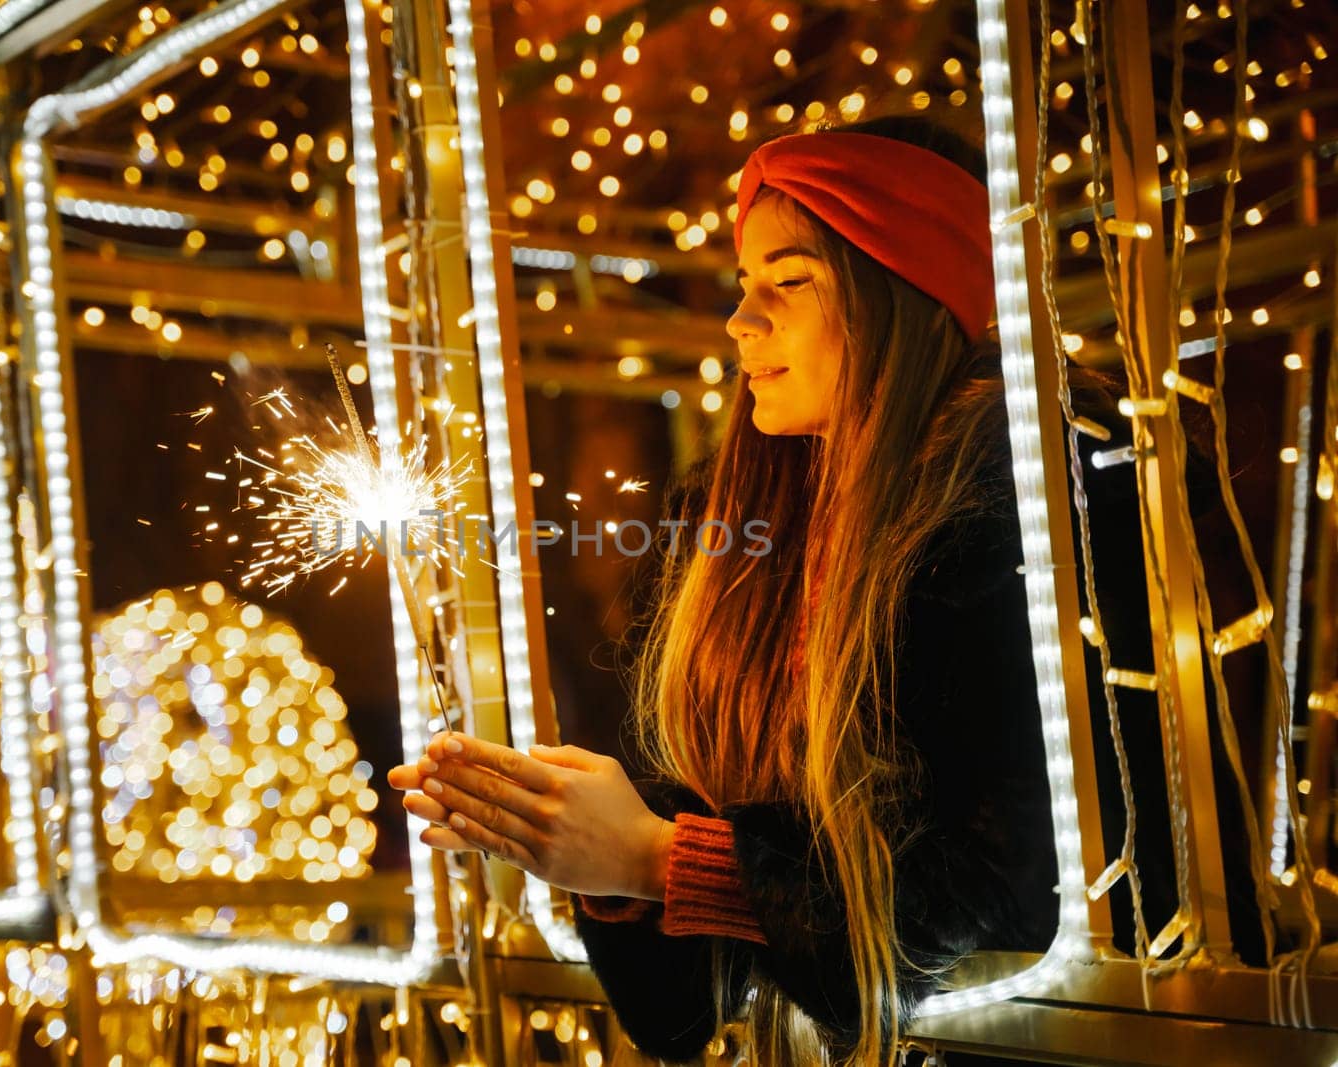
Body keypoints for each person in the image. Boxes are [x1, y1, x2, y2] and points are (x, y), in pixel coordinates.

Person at [386, 114, 1267, 1065]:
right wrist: (601, 863)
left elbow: (1007, 905)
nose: (741, 320)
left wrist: (657, 855)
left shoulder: (1038, 506)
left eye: (790, 283)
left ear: (901, 290)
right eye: (744, 284)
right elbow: (687, 1015)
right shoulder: (742, 545)